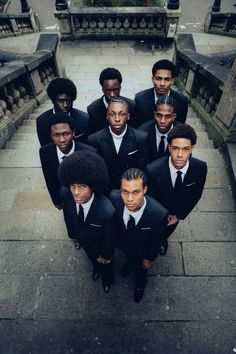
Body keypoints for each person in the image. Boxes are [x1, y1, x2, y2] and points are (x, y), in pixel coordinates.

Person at [58, 150, 116, 293]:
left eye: (82, 187)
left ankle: (107, 279)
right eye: (73, 186)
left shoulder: (107, 211)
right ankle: (96, 269)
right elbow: (67, 216)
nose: (76, 192)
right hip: (84, 241)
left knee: (105, 266)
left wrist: (106, 255)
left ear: (93, 185)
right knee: (92, 259)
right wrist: (72, 235)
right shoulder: (66, 194)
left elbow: (110, 238)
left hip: (100, 245)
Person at [146, 123, 207, 255]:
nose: (179, 154)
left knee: (166, 232)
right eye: (175, 148)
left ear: (192, 149)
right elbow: (150, 198)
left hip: (177, 213)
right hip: (158, 213)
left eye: (185, 149)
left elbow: (196, 194)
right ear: (169, 148)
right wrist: (162, 215)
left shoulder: (200, 168)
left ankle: (163, 240)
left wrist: (179, 216)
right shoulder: (153, 169)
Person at [110, 168, 168, 303]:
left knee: (141, 271)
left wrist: (149, 258)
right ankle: (128, 264)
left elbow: (156, 240)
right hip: (124, 245)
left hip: (143, 250)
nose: (129, 199)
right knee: (129, 259)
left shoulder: (158, 214)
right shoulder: (114, 199)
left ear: (145, 190)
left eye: (136, 192)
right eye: (125, 192)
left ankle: (140, 286)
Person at [87, 97, 148, 190]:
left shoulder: (141, 138)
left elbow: (141, 168)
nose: (117, 119)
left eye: (122, 114)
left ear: (128, 116)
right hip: (106, 190)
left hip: (131, 188)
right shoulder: (94, 140)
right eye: (112, 114)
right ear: (107, 116)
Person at [39, 112, 95, 211]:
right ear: (50, 136)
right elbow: (49, 178)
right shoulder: (45, 152)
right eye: (56, 135)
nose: (62, 140)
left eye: (66, 134)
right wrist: (56, 200)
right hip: (64, 199)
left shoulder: (89, 152)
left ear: (73, 133)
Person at [36, 77, 88, 146]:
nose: (65, 105)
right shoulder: (42, 122)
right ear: (53, 101)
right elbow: (45, 149)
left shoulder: (84, 119)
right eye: (61, 101)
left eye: (68, 101)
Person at [135, 59, 188, 126]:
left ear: (172, 81)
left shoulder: (181, 101)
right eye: (158, 79)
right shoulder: (140, 99)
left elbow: (180, 128)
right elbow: (137, 128)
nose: (162, 84)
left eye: (167, 79)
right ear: (153, 79)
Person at [87, 67, 137, 134]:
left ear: (120, 87)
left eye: (115, 90)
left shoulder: (131, 106)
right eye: (108, 91)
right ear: (102, 89)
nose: (112, 94)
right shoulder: (93, 109)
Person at [138, 96, 178, 164]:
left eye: (167, 116)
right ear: (154, 115)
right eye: (159, 115)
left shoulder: (181, 134)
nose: (162, 121)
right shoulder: (142, 132)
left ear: (174, 117)